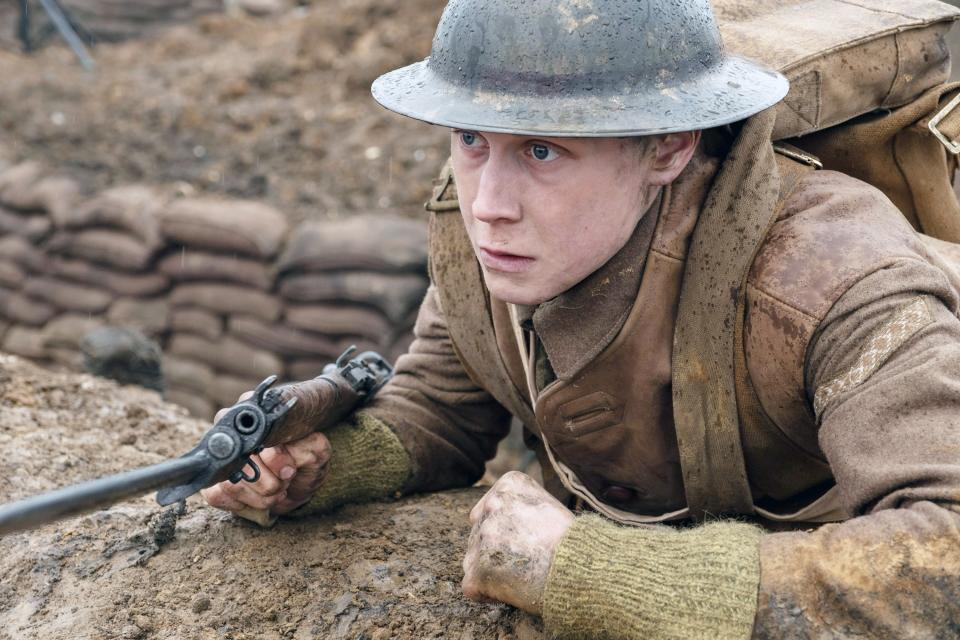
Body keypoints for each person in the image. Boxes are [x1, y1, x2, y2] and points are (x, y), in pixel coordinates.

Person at [202, 0, 960, 637]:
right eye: (471, 140)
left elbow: (947, 554)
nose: (489, 204)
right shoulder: (495, 234)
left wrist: (594, 573)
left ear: (667, 146)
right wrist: (319, 468)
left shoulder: (830, 276)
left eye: (541, 150)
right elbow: (443, 401)